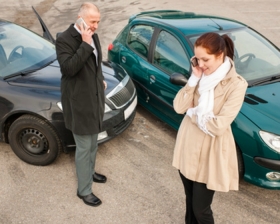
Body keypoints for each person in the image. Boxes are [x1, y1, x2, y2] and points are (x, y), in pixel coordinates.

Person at [172, 32, 248, 223]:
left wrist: (192, 113)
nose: (201, 64)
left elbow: (218, 126)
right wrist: (193, 79)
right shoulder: (200, 76)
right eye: (197, 59)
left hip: (211, 153)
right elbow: (179, 107)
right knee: (190, 203)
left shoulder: (237, 85)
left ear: (220, 54)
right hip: (188, 146)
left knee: (201, 209)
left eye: (205, 59)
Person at [55, 2, 107, 207]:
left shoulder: (93, 35)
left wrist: (99, 78)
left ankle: (90, 172)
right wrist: (85, 43)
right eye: (93, 21)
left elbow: (96, 62)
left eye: (98, 22)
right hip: (79, 103)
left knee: (94, 142)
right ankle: (83, 190)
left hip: (94, 99)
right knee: (84, 147)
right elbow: (68, 69)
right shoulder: (64, 39)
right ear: (80, 18)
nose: (95, 26)